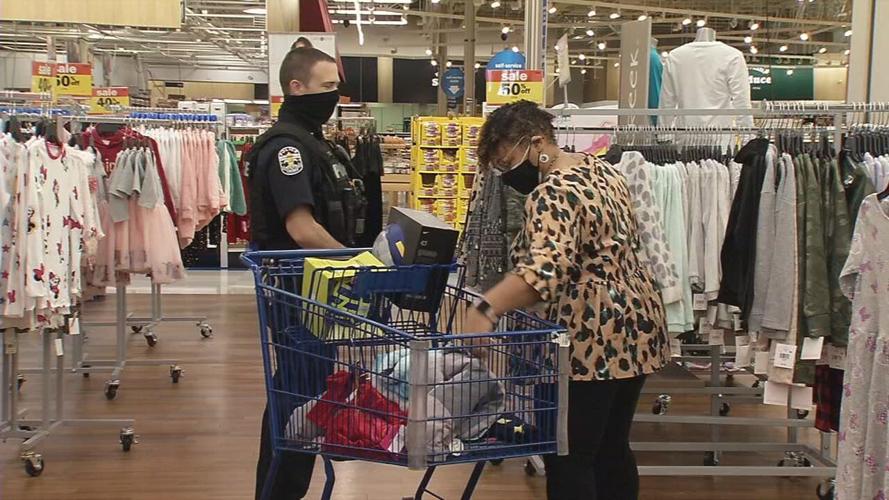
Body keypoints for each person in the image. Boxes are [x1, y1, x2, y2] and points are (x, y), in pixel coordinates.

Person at [463, 101, 669, 500]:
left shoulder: (552, 191)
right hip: (638, 325)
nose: (507, 174)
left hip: (590, 335)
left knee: (569, 454)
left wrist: (485, 308)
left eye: (508, 161)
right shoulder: (603, 171)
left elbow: (544, 271)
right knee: (611, 447)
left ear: (537, 141)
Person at [247, 46, 367, 499]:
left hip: (316, 291)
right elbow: (301, 228)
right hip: (298, 293)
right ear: (296, 88)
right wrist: (359, 263)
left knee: (308, 391)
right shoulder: (288, 149)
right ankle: (279, 492)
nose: (335, 96)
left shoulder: (315, 142)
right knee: (298, 396)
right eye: (327, 86)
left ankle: (283, 490)